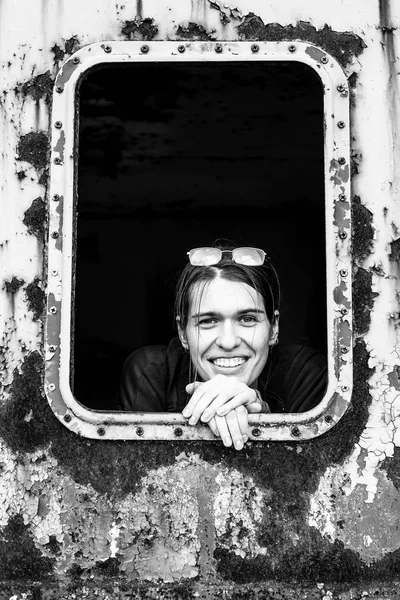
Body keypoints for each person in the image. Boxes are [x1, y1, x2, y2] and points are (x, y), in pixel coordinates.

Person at [118, 243, 327, 450]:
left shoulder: (305, 374)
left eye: (247, 319)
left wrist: (261, 416)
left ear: (274, 328)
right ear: (183, 332)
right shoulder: (151, 372)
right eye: (208, 321)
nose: (228, 341)